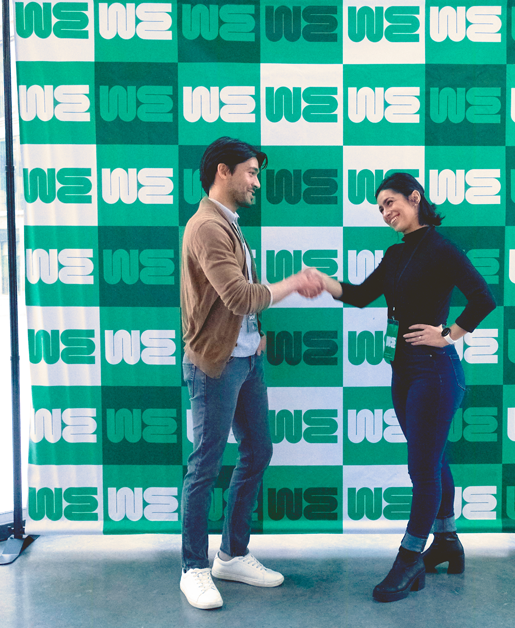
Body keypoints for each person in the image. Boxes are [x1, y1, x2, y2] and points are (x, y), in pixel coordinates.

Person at [312, 172, 496, 602]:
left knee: (422, 470)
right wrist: (325, 282)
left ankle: (410, 557)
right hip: (404, 371)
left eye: (391, 201)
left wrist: (450, 333)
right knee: (434, 459)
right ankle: (447, 541)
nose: (386, 211)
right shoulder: (396, 255)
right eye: (380, 207)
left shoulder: (442, 248)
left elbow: (483, 297)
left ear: (415, 198)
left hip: (434, 371)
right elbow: (359, 295)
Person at [178, 136, 323, 610]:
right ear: (224, 172)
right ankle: (194, 569)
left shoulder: (228, 223)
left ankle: (232, 555)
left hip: (244, 359)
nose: (256, 182)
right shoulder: (206, 227)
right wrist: (293, 283)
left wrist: (253, 334)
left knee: (258, 450)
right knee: (205, 465)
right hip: (214, 366)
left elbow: (236, 305)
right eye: (251, 173)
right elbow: (238, 295)